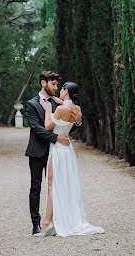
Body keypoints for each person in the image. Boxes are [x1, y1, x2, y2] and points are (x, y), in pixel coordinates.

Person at [38, 81, 105, 237]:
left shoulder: (60, 109)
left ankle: (47, 223)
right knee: (67, 184)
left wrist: (48, 110)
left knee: (52, 184)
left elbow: (48, 126)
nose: (59, 90)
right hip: (68, 150)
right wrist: (58, 101)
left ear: (66, 90)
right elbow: (70, 114)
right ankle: (60, 218)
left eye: (61, 88)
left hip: (58, 151)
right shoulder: (76, 109)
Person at [24, 71, 82, 235]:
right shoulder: (31, 104)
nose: (56, 88)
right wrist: (56, 138)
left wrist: (77, 122)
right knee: (36, 188)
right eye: (53, 84)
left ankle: (54, 222)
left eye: (58, 85)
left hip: (56, 153)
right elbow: (36, 129)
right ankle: (36, 223)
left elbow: (68, 124)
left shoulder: (59, 104)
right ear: (44, 83)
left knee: (56, 187)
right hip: (38, 151)